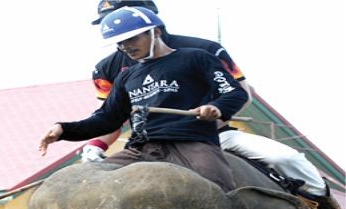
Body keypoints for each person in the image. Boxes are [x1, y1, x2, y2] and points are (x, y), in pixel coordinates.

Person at [80, 0, 338, 209]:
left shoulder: (204, 49)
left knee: (286, 158)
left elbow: (242, 94)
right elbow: (112, 117)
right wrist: (95, 146)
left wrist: (206, 119)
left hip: (213, 136)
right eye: (109, 22)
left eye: (123, 19)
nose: (115, 29)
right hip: (149, 143)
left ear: (151, 22)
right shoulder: (105, 69)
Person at [39, 6, 248, 192]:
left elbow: (235, 93)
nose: (126, 47)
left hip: (191, 143)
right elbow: (106, 119)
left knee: (215, 191)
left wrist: (216, 107)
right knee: (85, 185)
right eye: (121, 43)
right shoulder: (125, 77)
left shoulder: (197, 57)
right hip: (140, 149)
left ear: (155, 31)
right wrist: (63, 130)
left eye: (132, 38)